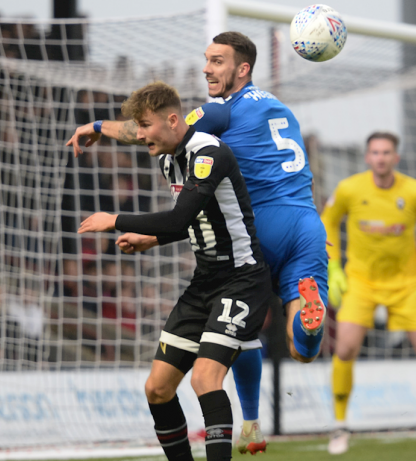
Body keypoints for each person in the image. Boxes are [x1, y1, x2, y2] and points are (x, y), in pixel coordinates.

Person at [66, 31, 329, 454]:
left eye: (217, 61)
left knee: (231, 337)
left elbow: (149, 129)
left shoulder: (219, 114)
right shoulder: (282, 111)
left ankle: (251, 422)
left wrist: (98, 126)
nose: (207, 68)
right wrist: (154, 237)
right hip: (306, 222)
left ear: (242, 69)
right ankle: (303, 338)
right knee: (299, 349)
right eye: (207, 59)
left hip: (259, 228)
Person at [75, 82, 271, 461]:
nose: (142, 135)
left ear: (172, 120)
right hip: (205, 282)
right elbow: (187, 223)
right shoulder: (168, 155)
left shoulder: (208, 153)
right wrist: (97, 126)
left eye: (147, 126)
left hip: (242, 279)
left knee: (204, 378)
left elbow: (180, 215)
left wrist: (114, 219)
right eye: (139, 128)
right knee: (158, 389)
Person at [320, 132, 416, 454]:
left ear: (396, 158)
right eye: (375, 152)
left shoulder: (415, 191)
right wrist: (333, 270)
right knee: (345, 349)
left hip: (406, 285)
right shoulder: (349, 189)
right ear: (367, 157)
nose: (380, 158)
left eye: (386, 152)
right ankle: (340, 426)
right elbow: (327, 223)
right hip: (361, 283)